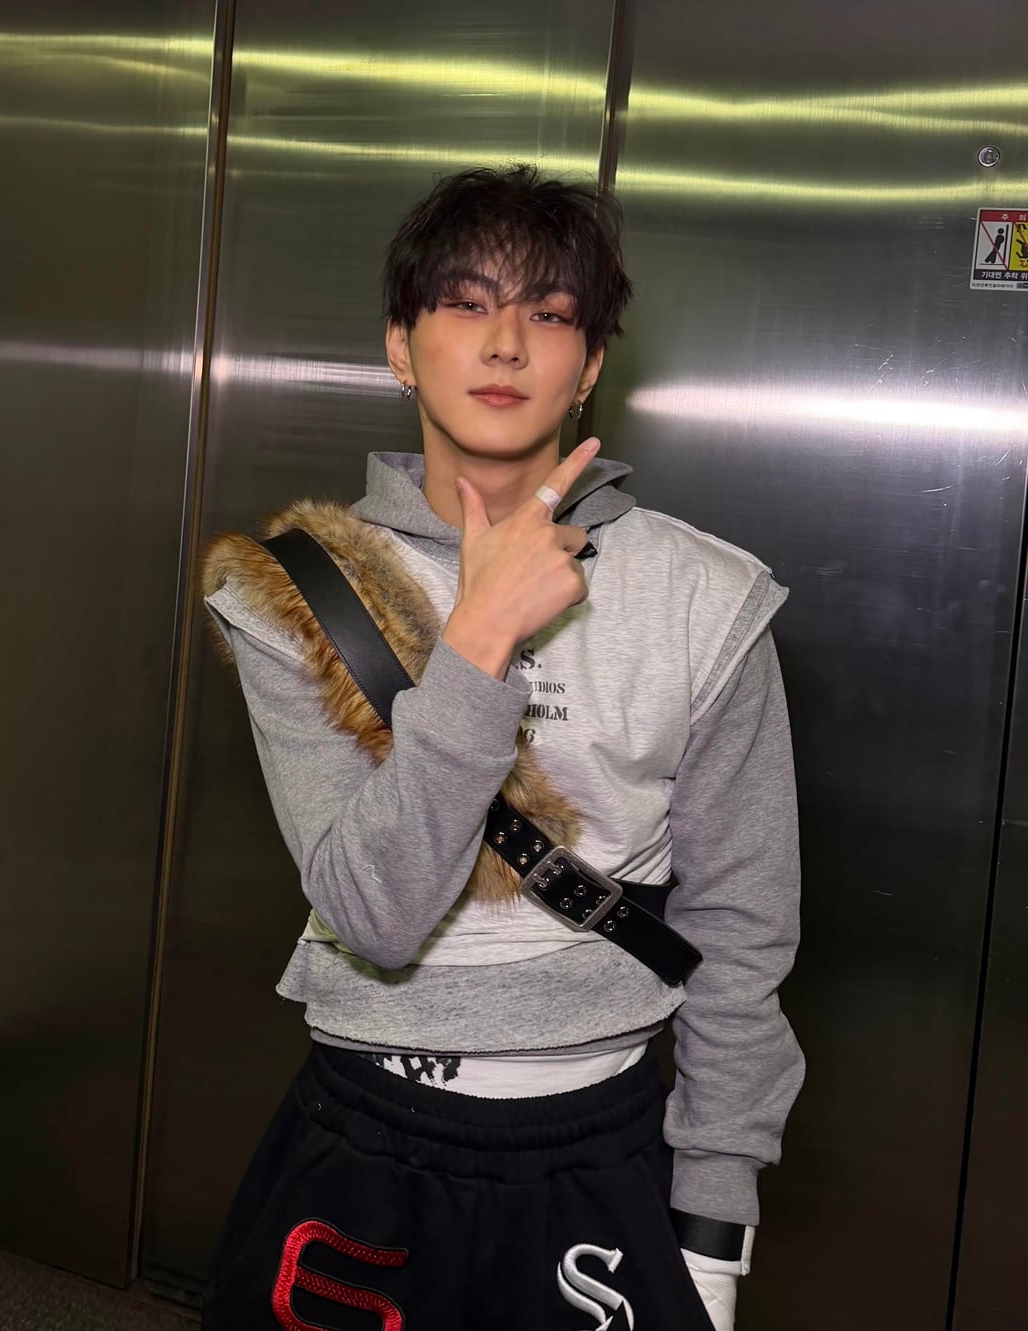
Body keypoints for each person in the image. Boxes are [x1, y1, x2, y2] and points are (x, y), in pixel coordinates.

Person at [201, 164, 803, 1331]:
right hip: (365, 1135)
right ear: (399, 345)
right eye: (465, 303)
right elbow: (375, 911)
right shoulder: (296, 592)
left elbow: (742, 929)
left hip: (602, 1145)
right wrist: (477, 637)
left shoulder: (709, 596)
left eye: (551, 313)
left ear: (592, 363)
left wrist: (715, 1230)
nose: (506, 342)